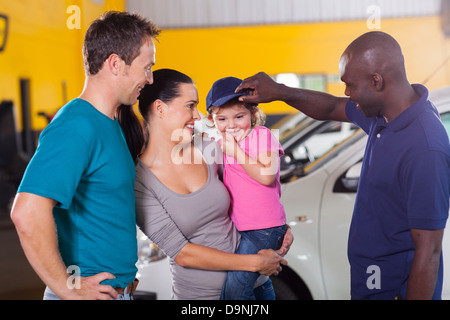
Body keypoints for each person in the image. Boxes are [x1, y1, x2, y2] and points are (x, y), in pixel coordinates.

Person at [235, 31, 450, 300]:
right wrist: (279, 91)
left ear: (376, 81)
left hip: (394, 288)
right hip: (371, 278)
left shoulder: (424, 148)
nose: (346, 92)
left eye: (349, 84)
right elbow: (330, 107)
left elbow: (429, 252)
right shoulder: (383, 115)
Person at [10, 11, 160, 300]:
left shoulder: (110, 123)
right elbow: (26, 213)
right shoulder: (76, 125)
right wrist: (67, 287)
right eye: (146, 67)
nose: (150, 79)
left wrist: (125, 279)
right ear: (116, 64)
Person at [131, 68, 290, 300]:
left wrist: (277, 228)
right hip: (200, 299)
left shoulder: (208, 148)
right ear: (160, 109)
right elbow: (182, 253)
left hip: (257, 287)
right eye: (190, 105)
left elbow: (255, 187)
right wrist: (253, 262)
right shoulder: (140, 181)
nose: (197, 116)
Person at [205, 77, 287, 300]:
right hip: (240, 229)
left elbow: (267, 176)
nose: (230, 125)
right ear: (212, 120)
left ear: (252, 114)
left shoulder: (261, 135)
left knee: (235, 291)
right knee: (257, 284)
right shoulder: (222, 145)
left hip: (264, 228)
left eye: (239, 116)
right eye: (222, 119)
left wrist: (236, 153)